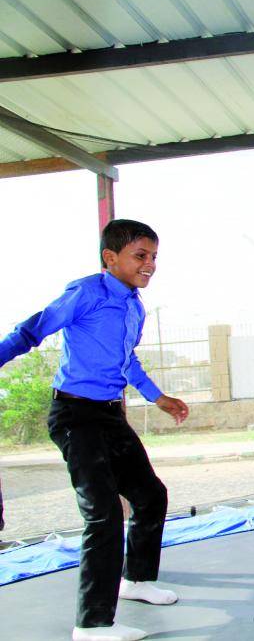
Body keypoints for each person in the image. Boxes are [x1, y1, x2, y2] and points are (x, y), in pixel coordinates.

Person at [0, 219, 190, 641]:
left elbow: (127, 361)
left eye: (154, 256)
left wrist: (158, 397)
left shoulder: (135, 306)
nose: (150, 264)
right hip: (75, 415)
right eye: (140, 256)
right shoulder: (86, 293)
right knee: (103, 514)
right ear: (111, 257)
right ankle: (92, 624)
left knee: (150, 495)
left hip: (108, 415)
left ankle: (137, 580)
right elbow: (32, 329)